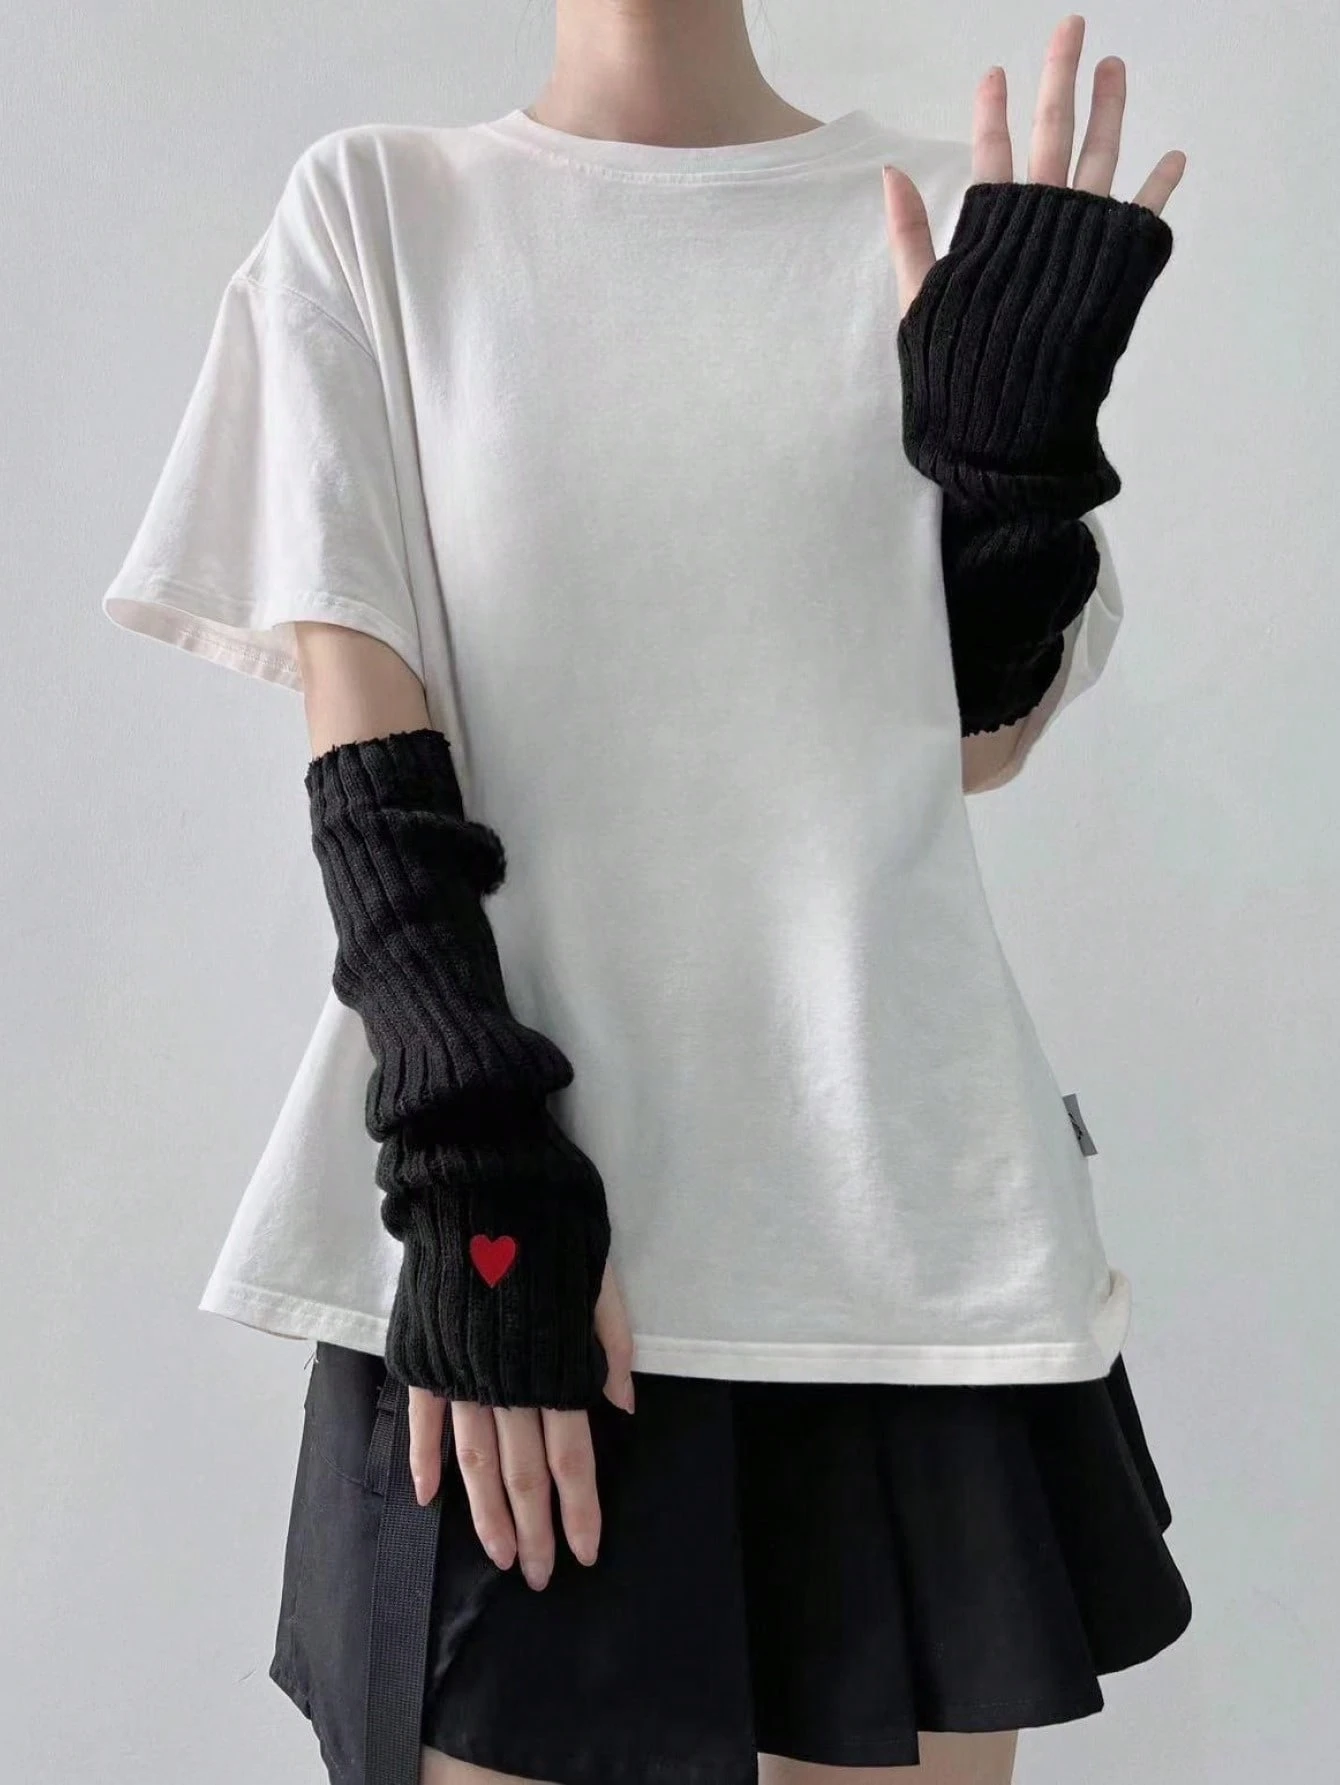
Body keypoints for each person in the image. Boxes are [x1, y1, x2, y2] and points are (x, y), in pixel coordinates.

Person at [100, 4, 1193, 1782]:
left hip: (896, 1270)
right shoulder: (378, 214)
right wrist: (479, 1179)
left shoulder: (945, 216)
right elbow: (373, 770)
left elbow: (969, 742)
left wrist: (1014, 490)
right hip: (523, 1256)